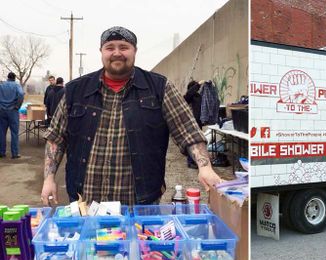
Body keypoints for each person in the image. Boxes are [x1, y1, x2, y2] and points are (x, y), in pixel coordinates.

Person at [41, 26, 221, 206]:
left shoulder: (159, 88)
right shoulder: (76, 90)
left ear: (134, 50)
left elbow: (187, 130)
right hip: (85, 203)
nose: (117, 53)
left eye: (124, 47)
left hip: (139, 204)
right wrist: (48, 179)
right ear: (102, 52)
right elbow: (56, 138)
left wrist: (205, 167)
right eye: (110, 47)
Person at [0, 72, 24, 159]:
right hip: (13, 111)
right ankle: (15, 153)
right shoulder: (16, 85)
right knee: (14, 133)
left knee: (2, 132)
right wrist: (17, 106)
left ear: (7, 77)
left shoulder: (1, 85)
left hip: (2, 111)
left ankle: (1, 152)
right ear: (15, 78)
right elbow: (21, 94)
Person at [184, 80, 202, 169]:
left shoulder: (198, 96)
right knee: (191, 143)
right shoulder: (188, 97)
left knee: (198, 143)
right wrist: (198, 84)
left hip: (198, 123)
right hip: (190, 123)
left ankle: (196, 160)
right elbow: (189, 94)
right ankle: (190, 161)